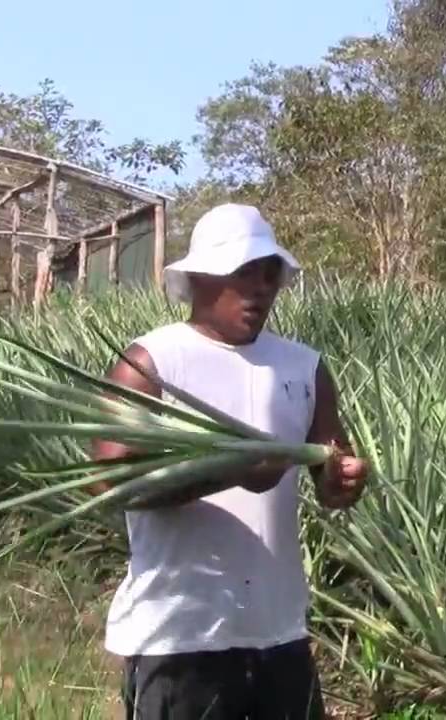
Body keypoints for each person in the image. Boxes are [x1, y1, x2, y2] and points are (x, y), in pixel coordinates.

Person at [90, 203, 369, 720]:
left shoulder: (304, 368)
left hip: (279, 634)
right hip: (177, 637)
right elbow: (107, 484)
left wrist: (346, 478)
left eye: (269, 274)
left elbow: (333, 477)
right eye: (244, 271)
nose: (261, 287)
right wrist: (228, 471)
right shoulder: (151, 364)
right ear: (200, 278)